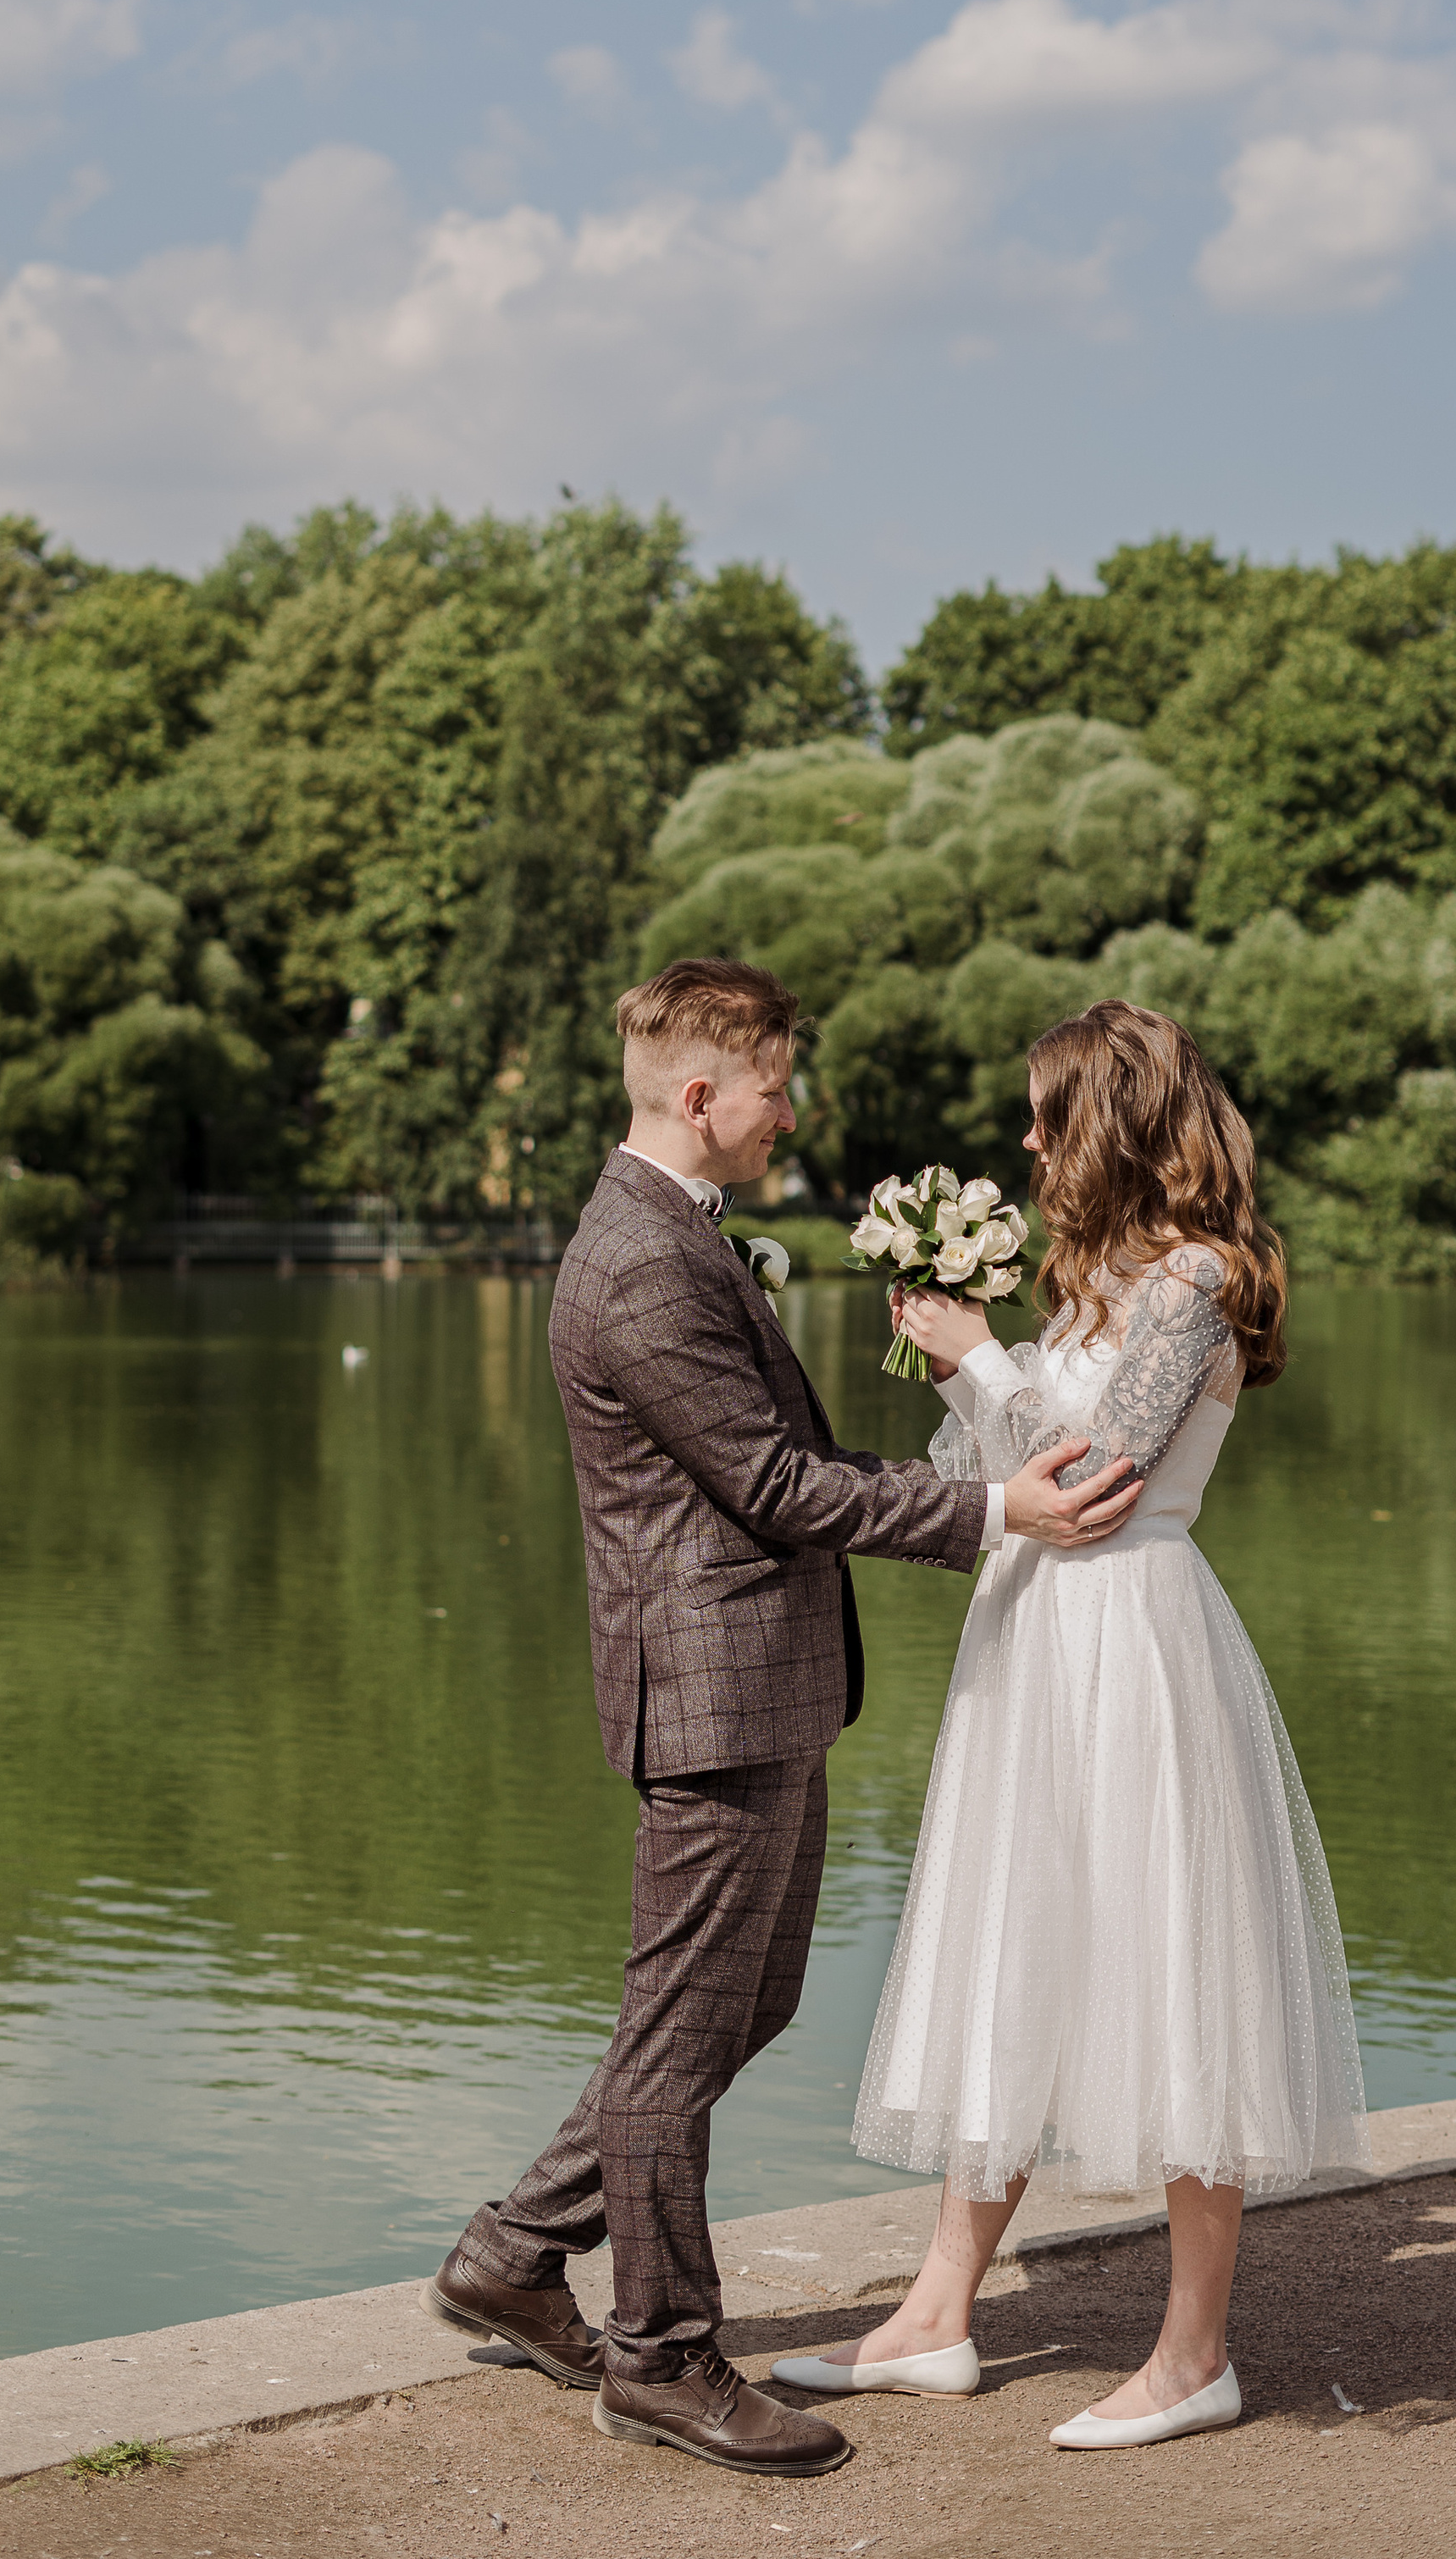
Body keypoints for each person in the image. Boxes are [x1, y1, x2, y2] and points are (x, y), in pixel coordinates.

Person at [424, 957, 1145, 2481]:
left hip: (755, 1684)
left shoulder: (679, 1239)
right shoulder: (639, 1263)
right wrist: (988, 1511)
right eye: (773, 1086)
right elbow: (769, 1485)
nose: (788, 1110)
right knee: (679, 2038)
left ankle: (512, 2253)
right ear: (701, 1096)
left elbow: (773, 1458)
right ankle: (664, 2355)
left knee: (733, 2011)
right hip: (712, 1696)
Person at [772, 1000, 1368, 2451]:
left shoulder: (1194, 1284)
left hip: (1133, 1646)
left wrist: (978, 1356)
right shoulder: (1099, 1287)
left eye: (1048, 1115)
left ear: (1113, 1124)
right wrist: (961, 1358)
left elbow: (1097, 1483)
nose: (1027, 1139)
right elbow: (997, 1471)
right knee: (1009, 1943)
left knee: (1172, 1977)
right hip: (1035, 1639)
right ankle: (936, 2316)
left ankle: (1195, 2355)